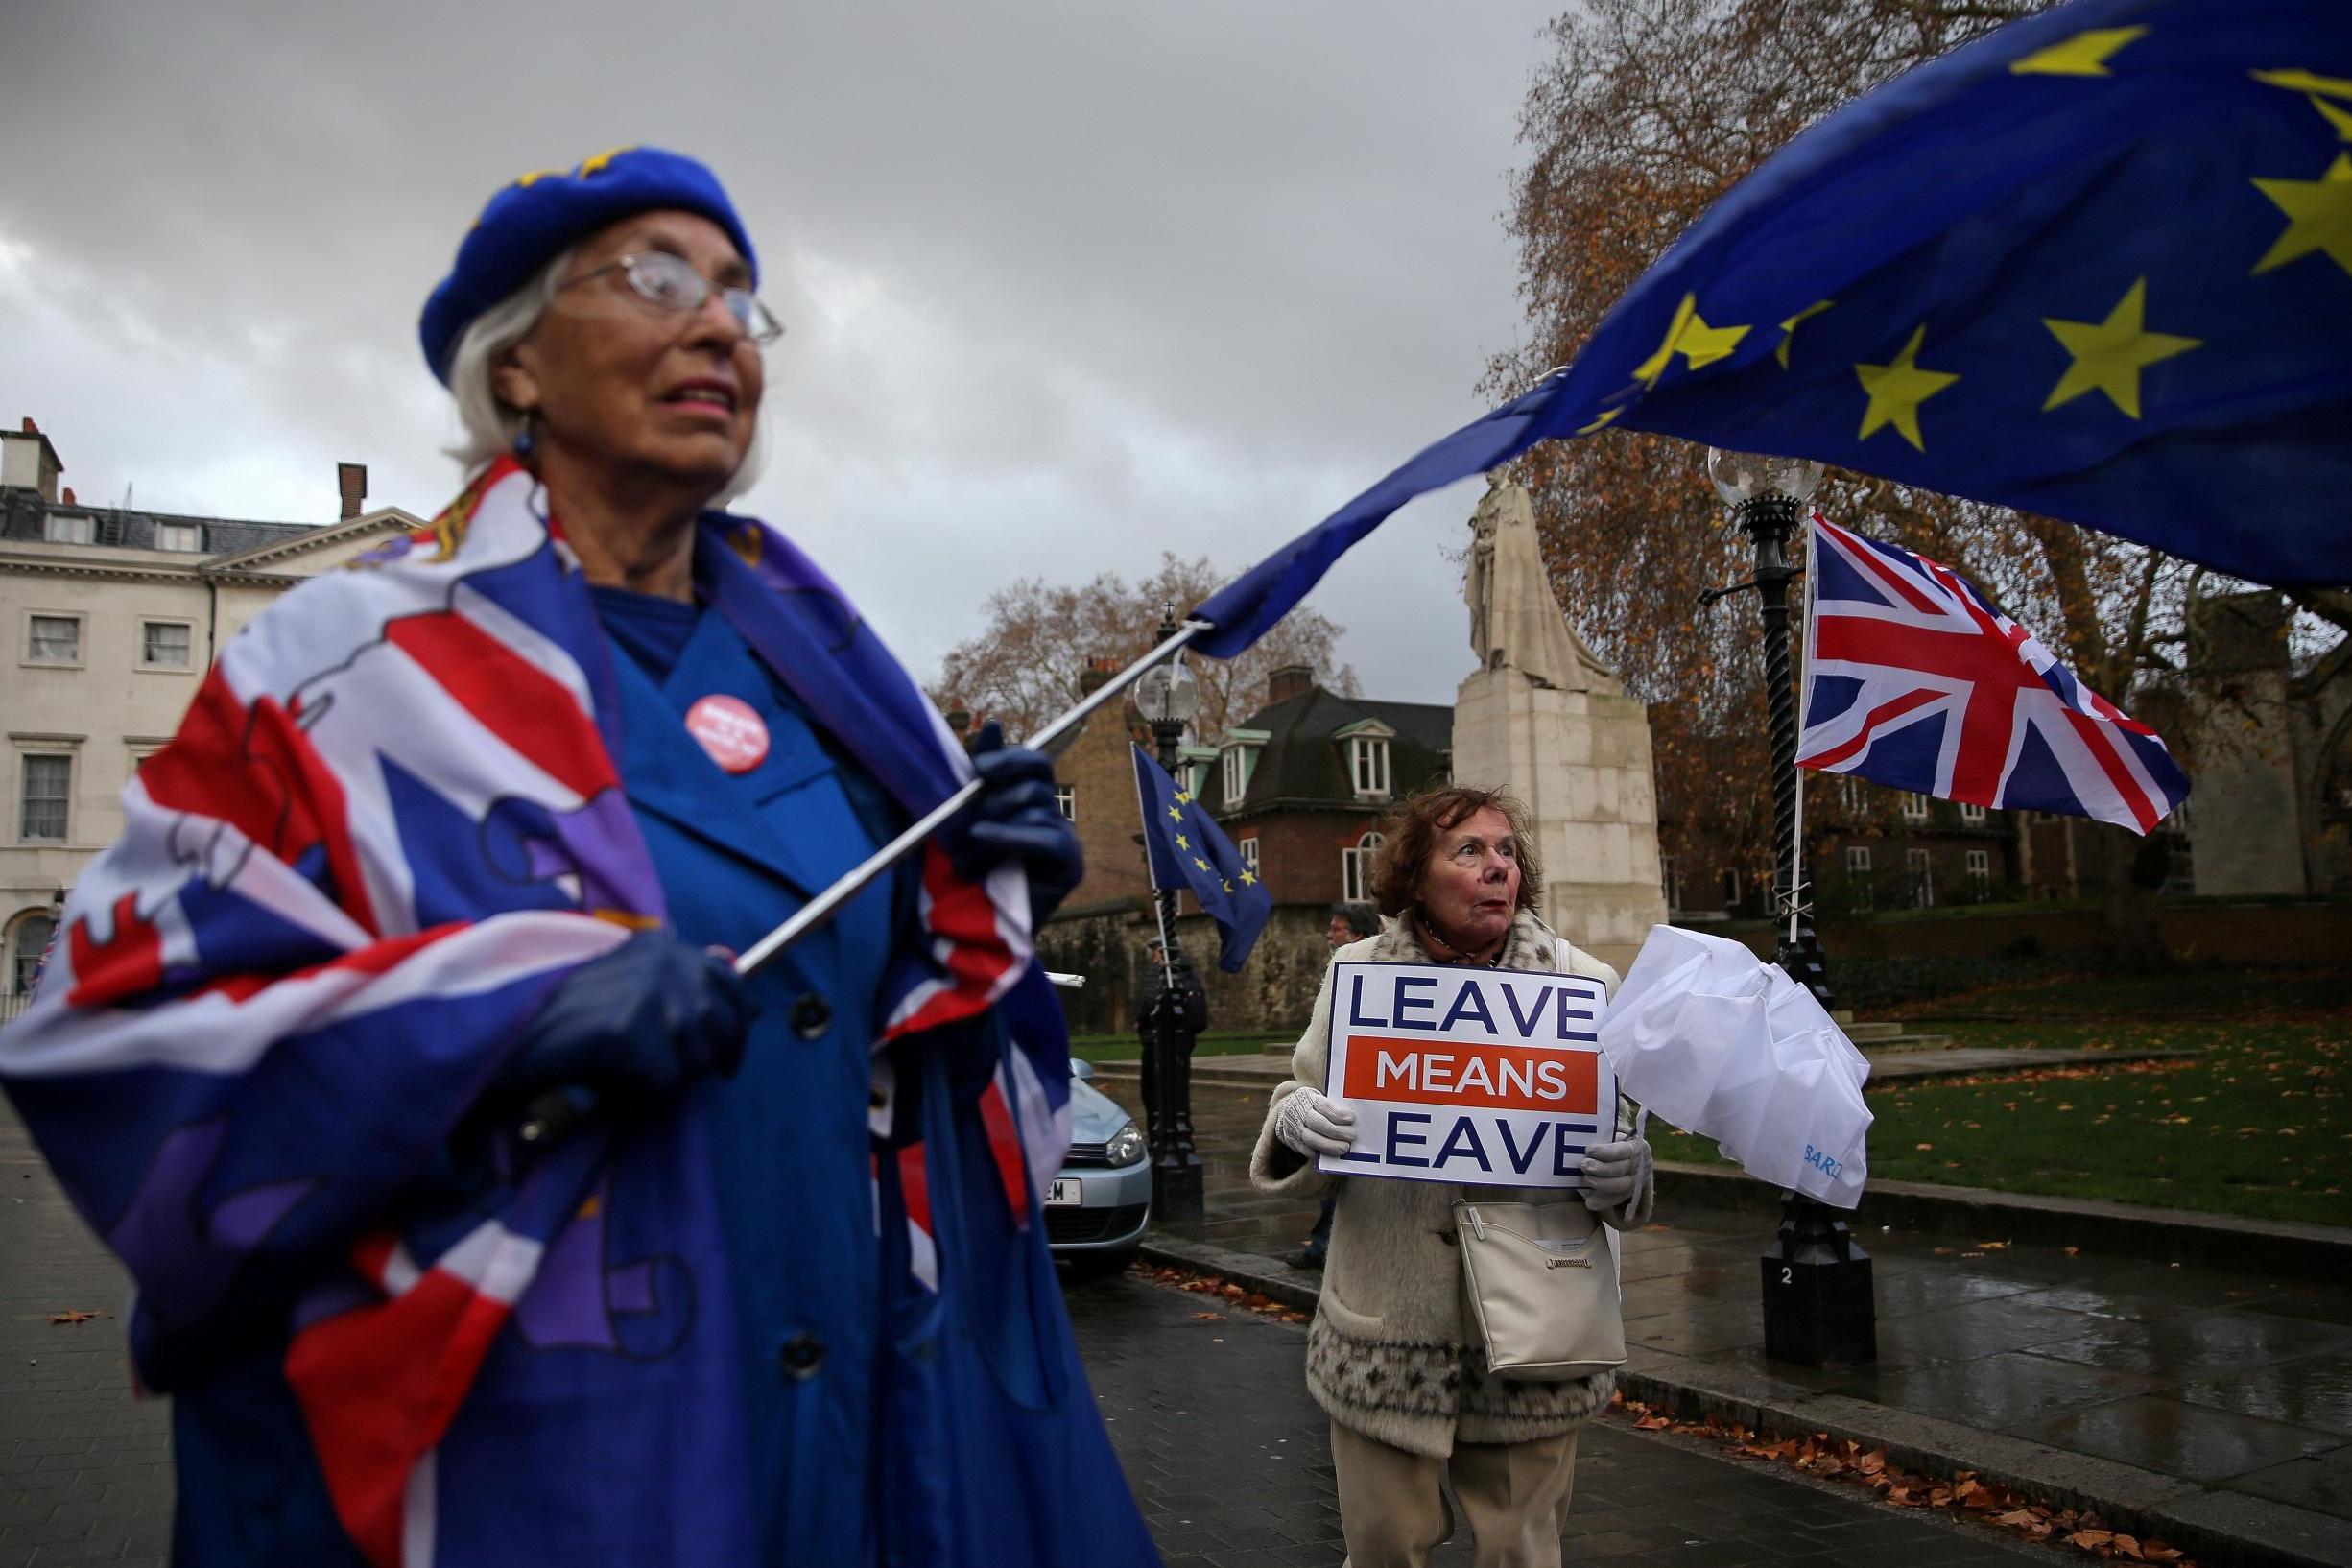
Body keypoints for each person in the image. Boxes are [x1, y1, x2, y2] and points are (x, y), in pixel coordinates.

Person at [0, 148, 1157, 1568]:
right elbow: (112, 1029)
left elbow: (883, 1043)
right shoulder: (336, 669)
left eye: (742, 297)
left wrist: (960, 895)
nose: (722, 323)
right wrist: (500, 1019)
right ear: (517, 365)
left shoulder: (843, 685)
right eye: (659, 276)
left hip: (853, 1432)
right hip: (529, 1467)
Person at [1250, 786, 1654, 1568]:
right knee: (1381, 1550)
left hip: (1532, 1337)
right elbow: (1304, 1118)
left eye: (1505, 851)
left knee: (1521, 1555)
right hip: (1384, 1331)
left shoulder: (1583, 987)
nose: (1495, 866)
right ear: (1415, 875)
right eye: (1468, 850)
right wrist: (1295, 1121)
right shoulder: (1358, 976)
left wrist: (1627, 1175)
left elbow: (1622, 1157)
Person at [1295, 900, 1380, 1269]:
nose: (1329, 934)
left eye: (1337, 928)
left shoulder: (1372, 974)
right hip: (1338, 1092)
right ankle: (1323, 1245)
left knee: (1342, 1174)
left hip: (1358, 1098)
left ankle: (1323, 1247)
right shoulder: (1341, 969)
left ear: (1359, 935)